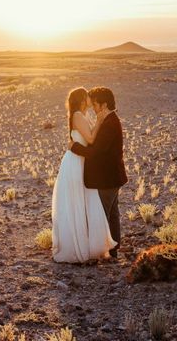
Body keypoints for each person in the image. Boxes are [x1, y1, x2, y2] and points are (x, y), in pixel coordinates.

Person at [51, 87, 117, 263]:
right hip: (75, 163)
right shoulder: (78, 116)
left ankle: (84, 244)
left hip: (80, 162)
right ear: (82, 100)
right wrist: (100, 120)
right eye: (87, 96)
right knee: (78, 203)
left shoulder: (81, 116)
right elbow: (91, 140)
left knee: (81, 202)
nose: (89, 99)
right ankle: (77, 248)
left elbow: (88, 138)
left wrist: (98, 121)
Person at [69, 86, 128, 258]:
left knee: (102, 215)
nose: (93, 108)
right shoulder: (110, 119)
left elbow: (96, 152)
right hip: (111, 177)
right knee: (112, 214)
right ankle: (113, 249)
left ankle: (104, 250)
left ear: (103, 105)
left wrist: (75, 147)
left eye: (94, 105)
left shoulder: (110, 123)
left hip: (107, 178)